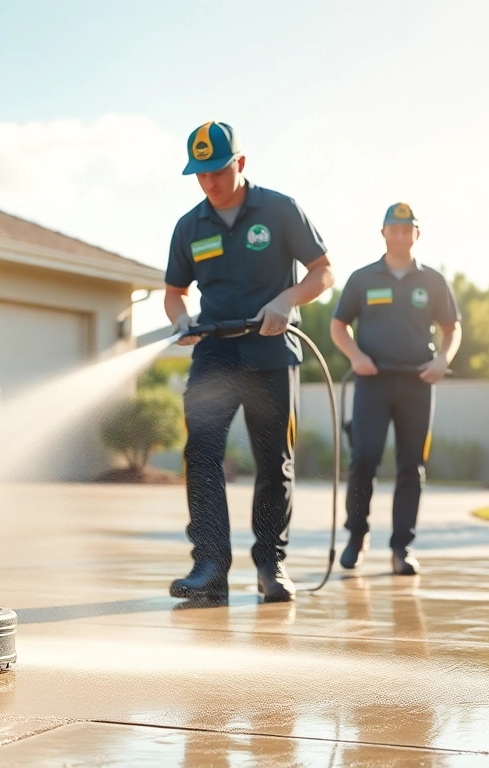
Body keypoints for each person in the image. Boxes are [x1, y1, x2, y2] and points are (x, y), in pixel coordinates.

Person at [164, 121, 335, 603]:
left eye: (217, 171)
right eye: (199, 175)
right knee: (201, 453)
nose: (209, 183)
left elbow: (323, 272)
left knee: (272, 460)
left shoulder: (280, 211)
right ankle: (210, 566)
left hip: (271, 351)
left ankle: (270, 567)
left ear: (239, 163)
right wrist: (181, 321)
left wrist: (287, 300)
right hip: (214, 352)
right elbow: (174, 293)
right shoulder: (189, 226)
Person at [329, 203, 461, 576]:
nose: (401, 235)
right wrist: (355, 356)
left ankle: (402, 548)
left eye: (408, 230)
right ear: (383, 233)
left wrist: (442, 360)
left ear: (416, 234)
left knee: (410, 466)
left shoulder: (432, 281)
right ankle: (356, 537)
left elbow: (452, 329)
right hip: (372, 382)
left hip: (417, 383)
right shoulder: (362, 278)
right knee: (364, 458)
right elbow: (339, 326)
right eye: (394, 229)